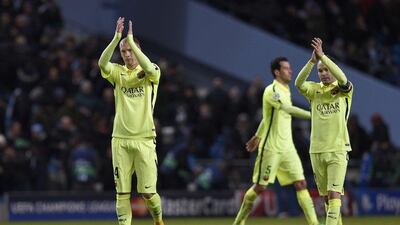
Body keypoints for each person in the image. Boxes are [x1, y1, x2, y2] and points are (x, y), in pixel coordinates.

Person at [233, 57, 319, 225]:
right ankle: (239, 222)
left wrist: (256, 136)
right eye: (286, 68)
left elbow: (268, 117)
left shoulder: (286, 90)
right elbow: (286, 109)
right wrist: (313, 114)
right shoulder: (272, 90)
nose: (291, 71)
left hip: (287, 148)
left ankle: (314, 224)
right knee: (260, 187)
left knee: (301, 183)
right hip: (271, 148)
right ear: (277, 72)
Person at [98, 17, 164, 225]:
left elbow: (151, 69)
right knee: (122, 194)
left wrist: (132, 42)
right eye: (124, 51)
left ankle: (158, 221)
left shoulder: (151, 71)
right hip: (120, 140)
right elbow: (102, 63)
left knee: (148, 193)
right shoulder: (117, 73)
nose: (127, 55)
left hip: (145, 139)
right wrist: (117, 38)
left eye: (130, 50)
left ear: (138, 50)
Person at [295, 38, 353, 225]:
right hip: (317, 150)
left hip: (337, 149)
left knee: (335, 193)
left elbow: (343, 78)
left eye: (326, 69)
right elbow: (298, 83)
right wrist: (312, 61)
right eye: (320, 70)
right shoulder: (314, 91)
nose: (324, 73)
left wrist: (323, 57)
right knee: (328, 198)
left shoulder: (345, 90)